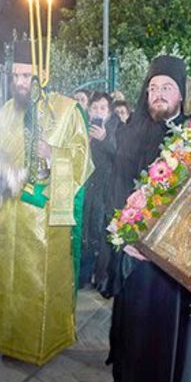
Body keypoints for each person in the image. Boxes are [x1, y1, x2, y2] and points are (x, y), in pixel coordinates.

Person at [0, 41, 92, 366]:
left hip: (43, 217)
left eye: (27, 75)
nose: (21, 82)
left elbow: (83, 160)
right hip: (8, 213)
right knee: (3, 278)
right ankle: (3, 337)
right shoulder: (8, 111)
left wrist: (53, 155)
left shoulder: (67, 110)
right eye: (16, 75)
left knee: (35, 283)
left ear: (43, 73)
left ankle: (38, 342)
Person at [105, 55, 191, 382]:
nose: (158, 95)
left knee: (170, 325)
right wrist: (126, 236)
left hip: (175, 255)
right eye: (153, 88)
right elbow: (116, 182)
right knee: (136, 318)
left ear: (181, 94)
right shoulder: (131, 128)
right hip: (137, 252)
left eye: (166, 88)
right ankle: (131, 379)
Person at [80, 91, 119, 290]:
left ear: (109, 112)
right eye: (95, 108)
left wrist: (104, 138)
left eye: (103, 108)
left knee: (100, 232)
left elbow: (119, 154)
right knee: (85, 230)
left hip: (105, 190)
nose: (98, 112)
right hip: (87, 187)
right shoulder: (82, 128)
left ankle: (101, 278)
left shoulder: (116, 128)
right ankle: (83, 276)